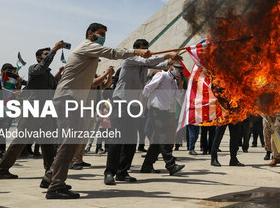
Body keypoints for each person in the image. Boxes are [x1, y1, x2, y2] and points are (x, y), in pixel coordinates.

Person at [43, 22, 150, 200]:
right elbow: (113, 53)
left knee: (70, 143)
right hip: (68, 99)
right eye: (100, 34)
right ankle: (55, 187)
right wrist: (137, 52)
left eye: (104, 35)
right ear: (90, 33)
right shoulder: (87, 46)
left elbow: (91, 84)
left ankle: (49, 178)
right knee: (68, 145)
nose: (103, 37)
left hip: (72, 100)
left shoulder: (88, 55)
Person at [104, 38, 177, 185]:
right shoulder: (130, 59)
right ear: (137, 49)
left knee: (131, 139)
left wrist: (171, 61)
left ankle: (122, 172)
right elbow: (148, 61)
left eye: (147, 48)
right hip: (122, 102)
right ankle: (109, 172)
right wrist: (168, 55)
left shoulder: (145, 65)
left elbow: (158, 64)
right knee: (117, 138)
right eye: (144, 49)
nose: (147, 51)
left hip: (135, 105)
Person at [0, 42, 66, 180]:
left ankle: (50, 172)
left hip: (45, 111)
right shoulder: (34, 69)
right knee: (20, 141)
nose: (49, 55)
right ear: (38, 58)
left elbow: (55, 87)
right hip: (31, 111)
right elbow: (42, 66)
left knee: (48, 144)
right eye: (45, 54)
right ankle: (1, 170)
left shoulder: (49, 76)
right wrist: (55, 49)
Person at [140, 64, 186, 175]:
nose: (178, 70)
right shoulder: (162, 75)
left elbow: (178, 96)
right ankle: (171, 165)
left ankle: (147, 165)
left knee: (157, 140)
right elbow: (147, 88)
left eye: (180, 69)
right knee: (163, 137)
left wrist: (181, 84)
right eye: (176, 67)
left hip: (167, 112)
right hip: (157, 111)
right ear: (170, 66)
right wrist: (142, 106)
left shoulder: (174, 81)